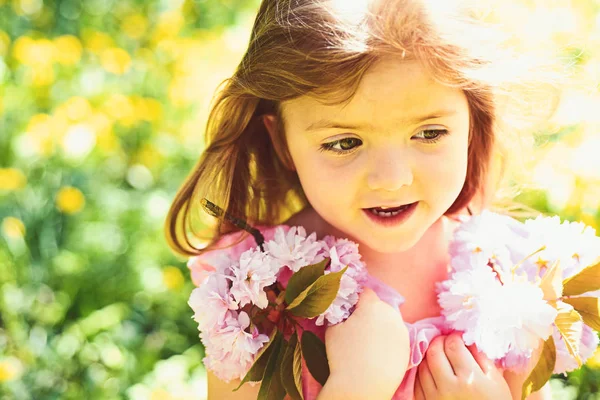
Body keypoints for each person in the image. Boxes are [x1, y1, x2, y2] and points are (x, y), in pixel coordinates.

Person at [165, 0, 561, 398]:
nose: (391, 180)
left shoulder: (508, 276)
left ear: (473, 122)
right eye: (344, 142)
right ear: (282, 142)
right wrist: (356, 387)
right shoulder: (259, 294)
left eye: (429, 133)